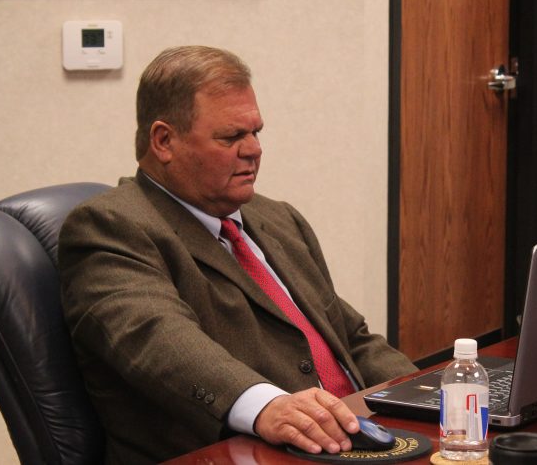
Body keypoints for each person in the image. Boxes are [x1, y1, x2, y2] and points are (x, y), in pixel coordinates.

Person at [58, 46, 417, 463]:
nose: (254, 150)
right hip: (238, 452)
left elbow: (350, 338)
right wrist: (266, 406)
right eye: (231, 137)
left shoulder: (277, 218)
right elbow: (161, 341)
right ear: (164, 141)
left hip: (357, 436)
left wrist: (428, 394)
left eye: (256, 132)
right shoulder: (111, 226)